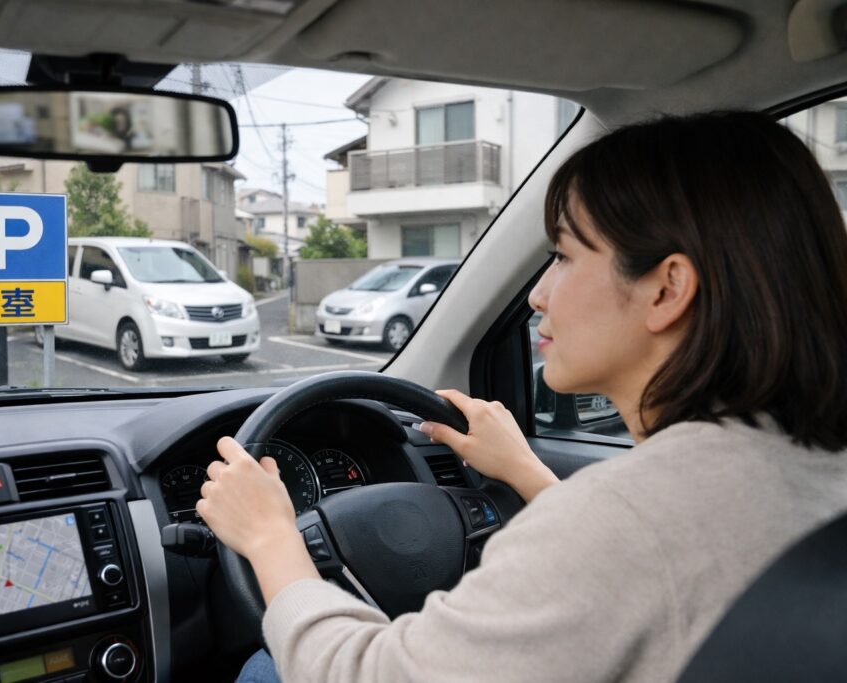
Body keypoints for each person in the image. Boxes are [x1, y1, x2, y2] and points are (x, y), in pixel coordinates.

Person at [197, 111, 847, 682]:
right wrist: (528, 474)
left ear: (666, 289)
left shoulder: (623, 518)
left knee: (266, 666)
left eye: (563, 256)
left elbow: (364, 671)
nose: (538, 294)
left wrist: (271, 535)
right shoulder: (804, 467)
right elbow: (653, 560)